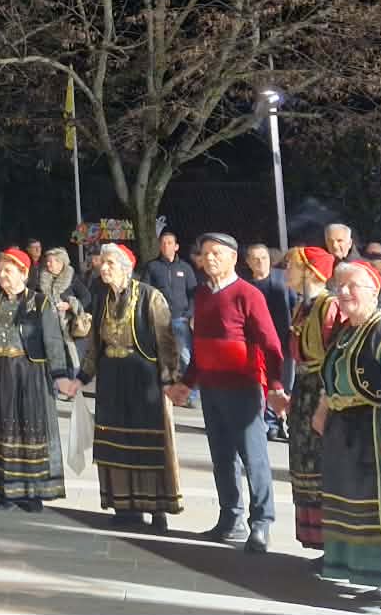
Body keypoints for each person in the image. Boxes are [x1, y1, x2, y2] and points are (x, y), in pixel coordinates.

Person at [166, 232, 285, 554]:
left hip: (243, 388)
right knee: (221, 457)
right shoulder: (203, 294)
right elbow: (200, 346)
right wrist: (187, 383)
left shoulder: (248, 294)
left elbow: (271, 343)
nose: (210, 258)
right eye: (205, 253)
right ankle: (230, 518)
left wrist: (276, 385)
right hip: (211, 389)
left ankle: (261, 523)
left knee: (254, 457)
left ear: (234, 258)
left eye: (217, 253)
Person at [313, 262, 381, 601]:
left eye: (352, 286)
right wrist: (323, 409)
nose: (343, 292)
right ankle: (349, 566)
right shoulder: (346, 331)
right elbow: (331, 375)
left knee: (378, 504)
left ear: (373, 290)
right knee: (347, 500)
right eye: (339, 286)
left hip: (371, 427)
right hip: (343, 427)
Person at [0, 248, 75, 512]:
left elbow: (53, 341)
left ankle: (32, 492)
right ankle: (4, 490)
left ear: (23, 273)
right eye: (0, 271)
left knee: (29, 429)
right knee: (3, 430)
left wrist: (60, 375)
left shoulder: (40, 303)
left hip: (30, 373)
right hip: (0, 372)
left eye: (8, 270)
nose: (2, 275)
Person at [82, 243, 180, 530]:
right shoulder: (101, 298)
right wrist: (83, 375)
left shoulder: (150, 297)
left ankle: (157, 507)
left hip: (142, 376)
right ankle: (125, 507)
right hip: (112, 377)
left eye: (110, 263)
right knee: (116, 443)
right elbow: (94, 343)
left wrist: (170, 380)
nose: (104, 268)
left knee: (148, 443)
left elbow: (166, 341)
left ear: (126, 268)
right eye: (102, 262)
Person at [277, 245, 337, 552]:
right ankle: (315, 539)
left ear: (310, 272)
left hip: (320, 390)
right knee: (303, 463)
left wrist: (324, 403)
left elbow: (333, 357)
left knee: (321, 465)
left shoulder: (329, 307)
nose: (287, 272)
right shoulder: (302, 306)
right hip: (303, 389)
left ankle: (331, 543)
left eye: (293, 266)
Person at [245, 244, 292, 442]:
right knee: (265, 385)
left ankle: (284, 423)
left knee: (284, 383)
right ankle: (271, 424)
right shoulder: (247, 287)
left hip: (284, 340)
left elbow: (293, 306)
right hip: (258, 344)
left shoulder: (283, 280)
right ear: (248, 262)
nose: (260, 262)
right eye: (255, 259)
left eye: (264, 258)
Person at [144, 231, 198, 371]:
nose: (166, 246)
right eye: (163, 243)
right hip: (159, 320)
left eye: (169, 243)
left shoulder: (185, 268)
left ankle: (189, 385)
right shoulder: (152, 267)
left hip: (181, 320)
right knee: (161, 356)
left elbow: (193, 293)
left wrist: (189, 314)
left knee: (186, 356)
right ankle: (166, 383)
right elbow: (145, 293)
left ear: (176, 246)